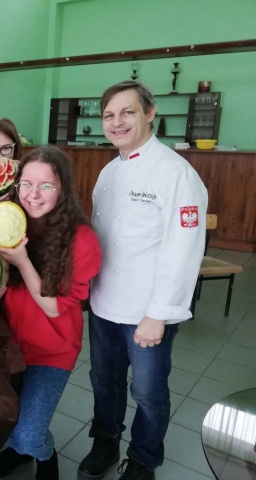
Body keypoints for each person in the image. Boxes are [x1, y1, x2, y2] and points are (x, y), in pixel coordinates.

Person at [78, 80, 207, 480]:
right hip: (104, 303)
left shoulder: (176, 173)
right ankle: (105, 443)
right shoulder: (108, 172)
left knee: (148, 392)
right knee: (104, 381)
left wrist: (158, 313)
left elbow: (183, 249)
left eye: (127, 112)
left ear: (150, 113)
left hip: (147, 311)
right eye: (109, 115)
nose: (116, 122)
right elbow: (100, 241)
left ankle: (143, 459)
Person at [0, 146, 102, 480]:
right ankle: (19, 452)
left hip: (52, 350)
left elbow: (52, 306)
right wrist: (1, 263)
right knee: (0, 422)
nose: (33, 195)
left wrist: (21, 260)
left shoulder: (82, 240)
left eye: (45, 185)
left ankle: (45, 458)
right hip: (7, 344)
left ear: (63, 188)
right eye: (26, 184)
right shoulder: (3, 221)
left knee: (29, 433)